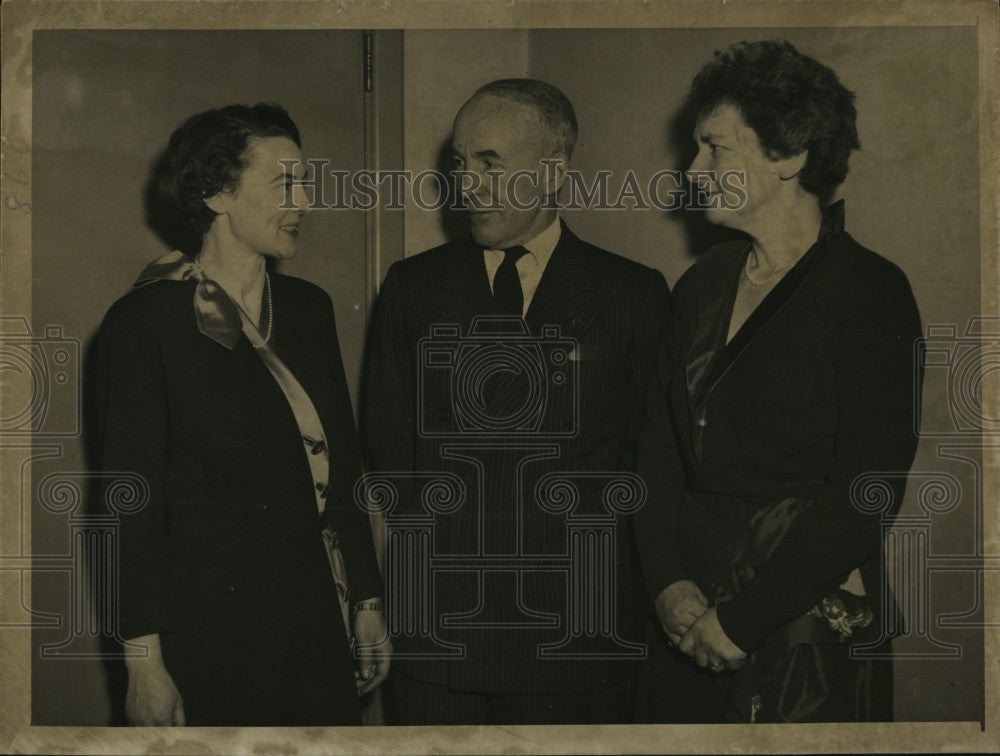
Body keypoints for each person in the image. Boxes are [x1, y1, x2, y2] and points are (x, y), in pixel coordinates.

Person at [362, 79, 670, 724]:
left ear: (553, 172)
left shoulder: (632, 295)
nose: (467, 183)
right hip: (437, 640)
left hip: (577, 639)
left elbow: (653, 470)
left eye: (490, 163)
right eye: (460, 163)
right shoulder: (412, 288)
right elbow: (387, 460)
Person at [633, 40, 923, 723]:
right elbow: (657, 450)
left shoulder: (870, 291)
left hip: (799, 619)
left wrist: (741, 622)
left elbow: (868, 489)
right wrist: (665, 581)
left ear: (789, 156)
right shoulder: (700, 285)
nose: (692, 169)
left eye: (714, 149)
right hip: (685, 609)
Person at [91, 103, 390, 726]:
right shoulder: (144, 323)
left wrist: (366, 600)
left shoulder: (309, 309)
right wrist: (143, 663)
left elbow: (344, 462)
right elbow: (129, 503)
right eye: (287, 184)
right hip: (208, 636)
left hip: (316, 624)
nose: (305, 202)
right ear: (218, 194)